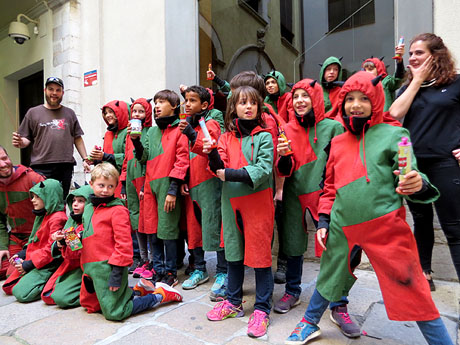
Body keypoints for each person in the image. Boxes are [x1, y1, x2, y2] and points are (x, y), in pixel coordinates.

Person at [285, 71, 453, 345]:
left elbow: (408, 172)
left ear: (376, 100)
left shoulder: (396, 134)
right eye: (349, 98)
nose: (355, 104)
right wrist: (324, 221)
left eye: (364, 98)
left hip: (386, 227)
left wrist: (416, 183)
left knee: (412, 285)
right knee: (329, 275)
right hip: (342, 227)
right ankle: (309, 322)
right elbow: (329, 186)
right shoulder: (337, 141)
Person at [274, 78, 360, 336]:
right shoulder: (286, 130)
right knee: (292, 243)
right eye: (296, 96)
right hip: (294, 194)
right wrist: (283, 158)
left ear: (316, 98)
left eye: (305, 95)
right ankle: (292, 291)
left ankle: (338, 304)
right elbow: (283, 170)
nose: (300, 100)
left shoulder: (333, 127)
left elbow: (342, 162)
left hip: (326, 194)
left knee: (334, 249)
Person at [389, 33, 460, 291]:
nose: (412, 57)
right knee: (421, 221)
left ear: (436, 55)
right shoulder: (409, 89)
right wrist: (417, 81)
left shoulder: (455, 84)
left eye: (419, 52)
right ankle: (425, 273)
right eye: (410, 53)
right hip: (414, 167)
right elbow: (395, 114)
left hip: (445, 164)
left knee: (454, 231)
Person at [204, 86, 274, 338]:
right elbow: (218, 167)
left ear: (258, 108)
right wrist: (211, 152)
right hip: (231, 204)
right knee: (233, 252)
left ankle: (262, 309)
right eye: (242, 102)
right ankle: (233, 302)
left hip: (258, 205)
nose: (248, 107)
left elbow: (264, 168)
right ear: (233, 108)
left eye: (252, 103)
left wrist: (230, 173)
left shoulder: (265, 137)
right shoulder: (225, 138)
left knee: (260, 256)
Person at [79, 163, 183, 320]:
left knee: (115, 313)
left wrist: (116, 274)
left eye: (110, 186)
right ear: (91, 183)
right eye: (101, 185)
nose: (105, 190)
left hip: (108, 268)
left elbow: (124, 245)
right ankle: (137, 291)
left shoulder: (117, 211)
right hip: (90, 268)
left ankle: (160, 295)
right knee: (91, 306)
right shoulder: (88, 208)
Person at [131, 90, 189, 286]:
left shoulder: (179, 129)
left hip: (167, 184)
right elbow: (144, 158)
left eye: (162, 102)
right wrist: (136, 142)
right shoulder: (153, 131)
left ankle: (171, 272)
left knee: (168, 230)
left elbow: (182, 160)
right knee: (152, 229)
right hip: (150, 184)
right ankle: (158, 269)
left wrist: (173, 190)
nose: (157, 105)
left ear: (173, 105)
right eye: (155, 102)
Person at [179, 85, 227, 300]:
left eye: (192, 100)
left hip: (210, 183)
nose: (187, 104)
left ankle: (223, 272)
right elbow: (182, 156)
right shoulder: (186, 125)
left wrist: (191, 134)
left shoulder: (211, 123)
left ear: (205, 105)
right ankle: (199, 268)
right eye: (186, 100)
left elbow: (211, 148)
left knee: (214, 225)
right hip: (192, 185)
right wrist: (181, 179)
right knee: (194, 228)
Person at [12, 77, 90, 198]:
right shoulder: (33, 112)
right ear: (45, 90)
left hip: (65, 166)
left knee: (61, 201)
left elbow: (77, 138)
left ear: (62, 93)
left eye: (58, 90)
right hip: (40, 166)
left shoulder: (70, 113)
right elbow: (26, 139)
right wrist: (20, 142)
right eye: (51, 89)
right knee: (43, 201)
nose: (54, 93)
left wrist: (85, 159)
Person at [2, 179, 67, 302]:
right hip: (36, 258)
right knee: (8, 285)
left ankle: (51, 280)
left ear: (48, 197)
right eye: (33, 197)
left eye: (37, 197)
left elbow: (52, 249)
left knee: (21, 293)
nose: (32, 200)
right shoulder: (43, 215)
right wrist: (21, 254)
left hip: (47, 263)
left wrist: (30, 264)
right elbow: (33, 239)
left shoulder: (58, 218)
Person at [41, 183, 92, 307]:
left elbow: (77, 252)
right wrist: (59, 242)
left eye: (81, 201)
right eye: (74, 200)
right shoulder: (72, 220)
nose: (75, 204)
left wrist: (64, 241)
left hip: (84, 268)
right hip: (70, 265)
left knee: (62, 298)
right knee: (48, 295)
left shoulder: (90, 222)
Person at [0, 146, 44, 280]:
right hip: (15, 238)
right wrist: (2, 246)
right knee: (4, 270)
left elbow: (54, 209)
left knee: (15, 274)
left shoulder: (33, 178)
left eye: (4, 158)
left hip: (36, 237)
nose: (3, 164)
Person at [121, 98, 153, 279]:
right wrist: (124, 185)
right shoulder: (128, 134)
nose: (137, 115)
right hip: (131, 179)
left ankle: (151, 259)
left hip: (143, 178)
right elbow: (126, 159)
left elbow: (147, 159)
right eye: (134, 111)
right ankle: (142, 258)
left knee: (146, 219)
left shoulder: (150, 132)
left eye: (141, 111)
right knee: (135, 219)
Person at [89, 100, 130, 198]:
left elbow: (128, 157)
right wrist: (95, 159)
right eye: (106, 113)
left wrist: (104, 156)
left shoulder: (128, 132)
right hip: (108, 180)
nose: (107, 115)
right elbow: (106, 157)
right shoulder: (108, 134)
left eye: (111, 112)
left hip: (125, 180)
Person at [362, 42, 405, 111]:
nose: (367, 72)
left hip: (384, 120)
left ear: (379, 69)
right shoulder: (363, 87)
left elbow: (398, 79)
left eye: (370, 69)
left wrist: (399, 62)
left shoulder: (386, 82)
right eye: (365, 70)